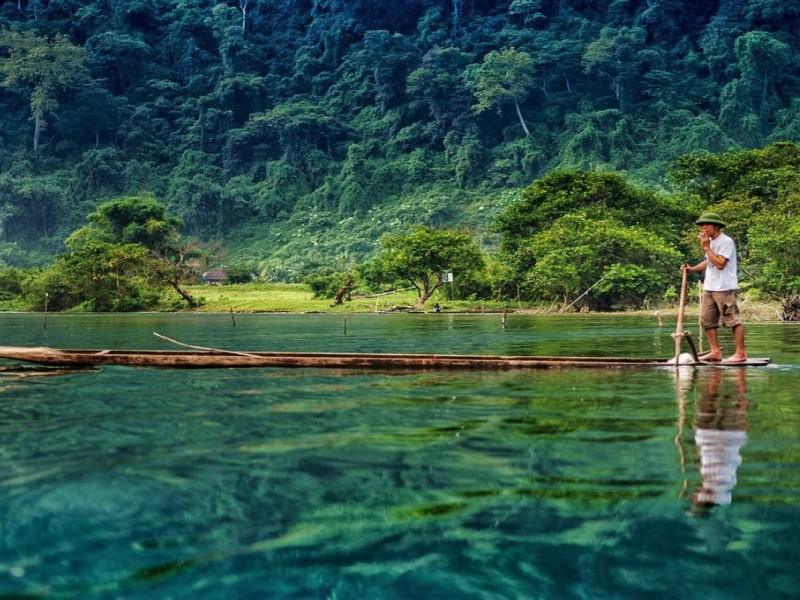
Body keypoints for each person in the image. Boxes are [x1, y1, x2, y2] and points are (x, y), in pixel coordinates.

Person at [681, 212, 747, 363]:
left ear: (716, 226)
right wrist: (691, 269)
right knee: (707, 320)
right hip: (710, 287)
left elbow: (719, 264)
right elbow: (708, 262)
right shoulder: (710, 242)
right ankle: (715, 352)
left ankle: (741, 353)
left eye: (707, 225)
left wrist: (706, 247)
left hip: (724, 287)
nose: (703, 228)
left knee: (732, 320)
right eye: (701, 225)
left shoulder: (726, 241)